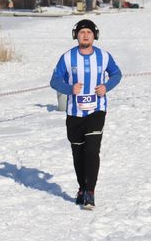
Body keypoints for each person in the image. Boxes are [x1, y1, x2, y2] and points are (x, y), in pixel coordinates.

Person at [49, 19, 122, 210]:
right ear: (76, 36)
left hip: (96, 110)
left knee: (92, 150)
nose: (86, 35)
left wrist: (106, 87)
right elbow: (54, 81)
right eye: (82, 32)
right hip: (74, 113)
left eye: (89, 32)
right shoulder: (67, 58)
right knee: (78, 153)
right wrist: (69, 88)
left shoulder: (104, 56)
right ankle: (82, 187)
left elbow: (117, 74)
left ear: (94, 35)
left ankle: (90, 191)